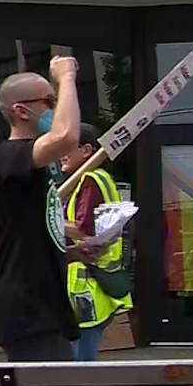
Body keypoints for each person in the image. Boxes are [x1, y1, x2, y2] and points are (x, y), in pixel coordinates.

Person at [0, 55, 101, 386]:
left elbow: (31, 233)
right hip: (27, 310)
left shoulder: (35, 170)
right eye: (48, 102)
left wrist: (70, 251)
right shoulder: (11, 156)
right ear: (21, 110)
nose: (56, 107)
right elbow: (68, 136)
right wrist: (67, 75)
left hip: (45, 306)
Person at [60, 123, 131, 361]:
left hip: (88, 289)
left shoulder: (90, 180)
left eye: (68, 147)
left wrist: (48, 219)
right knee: (80, 363)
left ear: (87, 150)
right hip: (96, 286)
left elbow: (83, 229)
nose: (61, 154)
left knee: (78, 366)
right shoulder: (95, 180)